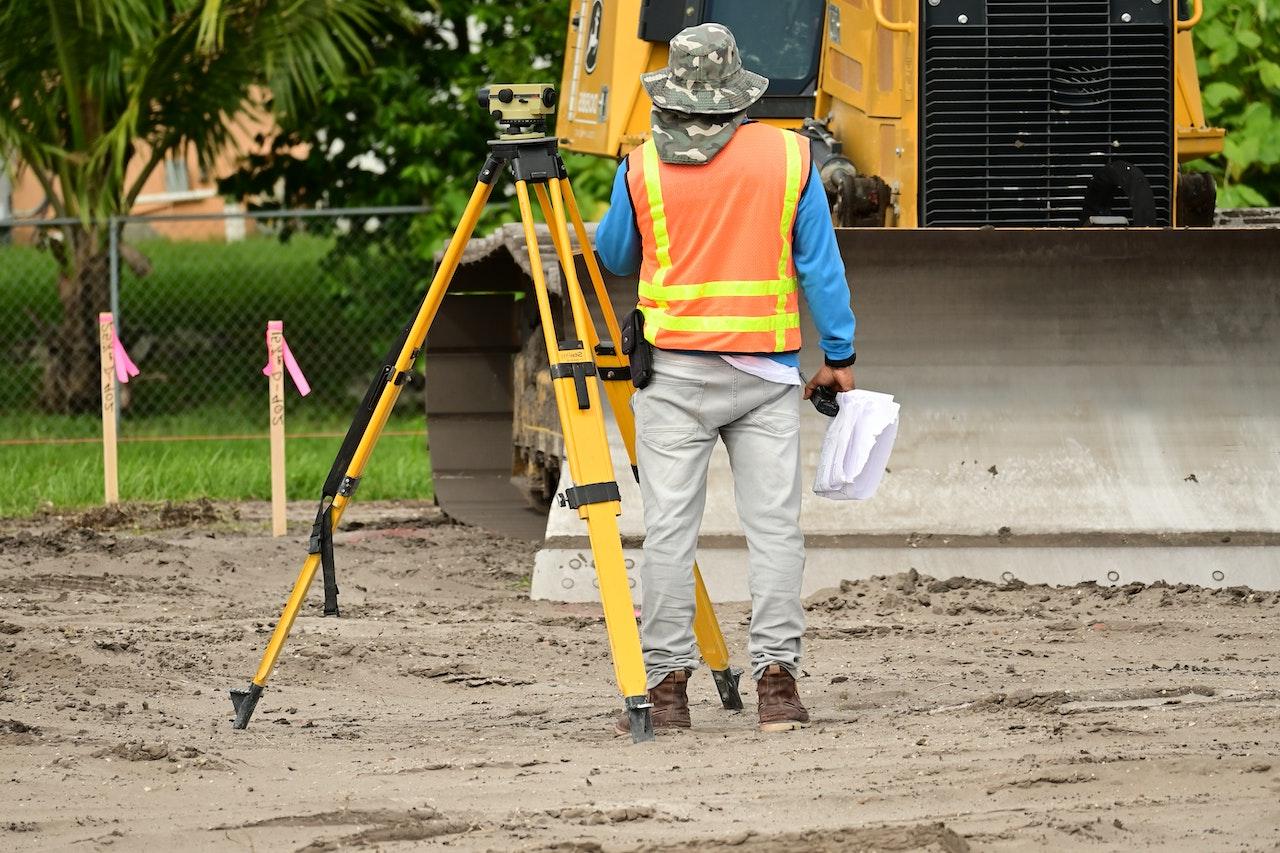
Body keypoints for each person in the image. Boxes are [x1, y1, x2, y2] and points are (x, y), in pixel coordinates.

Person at [595, 23, 856, 734]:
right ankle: (777, 686)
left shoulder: (640, 166)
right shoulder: (792, 158)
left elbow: (616, 254)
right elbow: (820, 269)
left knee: (670, 531)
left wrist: (601, 218)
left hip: (673, 379)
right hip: (767, 374)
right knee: (774, 528)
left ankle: (668, 691)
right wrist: (840, 353)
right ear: (739, 91)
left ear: (673, 92)